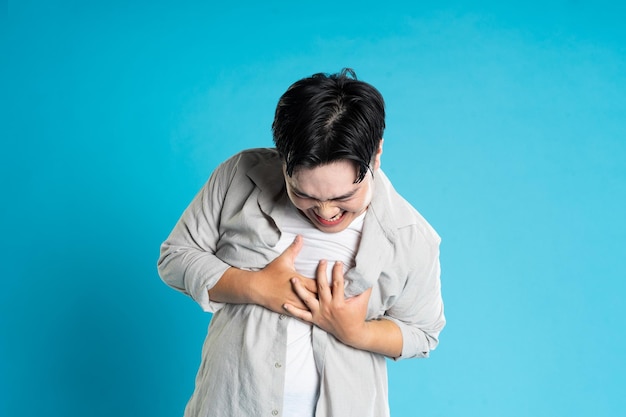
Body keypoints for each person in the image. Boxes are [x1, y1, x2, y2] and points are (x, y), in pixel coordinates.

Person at [157, 68, 445, 417]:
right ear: (283, 157)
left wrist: (356, 332)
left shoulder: (410, 236)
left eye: (344, 196)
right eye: (304, 194)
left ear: (377, 153)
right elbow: (176, 257)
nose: (325, 212)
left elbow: (423, 332)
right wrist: (254, 287)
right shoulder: (239, 176)